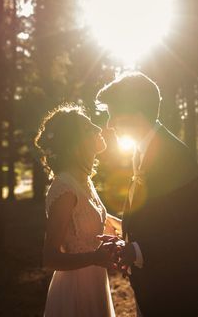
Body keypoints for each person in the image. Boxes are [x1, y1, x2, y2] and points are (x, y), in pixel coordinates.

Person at [96, 72, 198, 316]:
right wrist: (125, 239)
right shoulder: (142, 151)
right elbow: (157, 216)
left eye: (113, 114)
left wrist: (136, 250)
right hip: (151, 285)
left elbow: (193, 234)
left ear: (135, 114)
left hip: (175, 290)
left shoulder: (174, 157)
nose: (109, 124)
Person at [35, 104, 121, 317]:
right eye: (87, 127)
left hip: (96, 282)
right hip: (75, 290)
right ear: (74, 145)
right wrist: (94, 258)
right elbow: (50, 257)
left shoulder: (84, 181)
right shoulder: (64, 189)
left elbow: (95, 219)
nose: (97, 128)